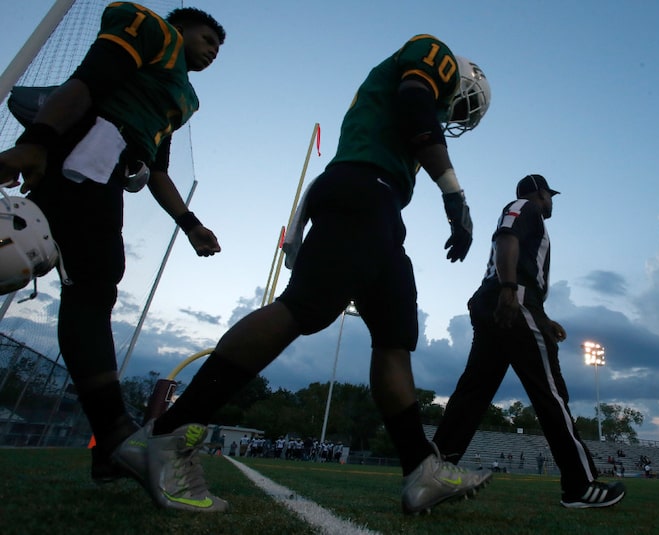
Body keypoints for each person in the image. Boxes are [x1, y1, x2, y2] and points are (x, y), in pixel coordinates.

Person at [112, 34, 492, 514]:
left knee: (395, 336)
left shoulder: (397, 116)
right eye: (462, 106)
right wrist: (453, 192)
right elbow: (417, 104)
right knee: (304, 307)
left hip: (379, 202)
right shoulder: (425, 54)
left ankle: (421, 468)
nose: (453, 117)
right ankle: (168, 433)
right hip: (363, 192)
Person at [0, 3, 224, 487]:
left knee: (86, 279)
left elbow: (157, 166)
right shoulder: (153, 32)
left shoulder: (182, 97)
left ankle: (111, 439)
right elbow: (87, 81)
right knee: (71, 272)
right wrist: (38, 139)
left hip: (108, 164)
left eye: (218, 49)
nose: (212, 52)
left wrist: (190, 224)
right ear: (180, 28)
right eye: (207, 39)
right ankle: (113, 436)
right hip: (84, 144)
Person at [432, 174, 626, 509]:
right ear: (540, 193)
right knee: (550, 393)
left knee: (472, 393)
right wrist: (511, 290)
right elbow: (505, 237)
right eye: (549, 196)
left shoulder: (528, 215)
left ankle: (432, 475)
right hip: (514, 300)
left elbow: (515, 256)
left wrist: (543, 318)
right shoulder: (525, 207)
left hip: (503, 302)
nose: (551, 202)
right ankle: (580, 485)